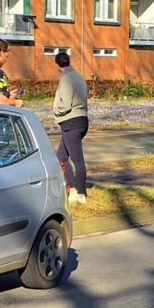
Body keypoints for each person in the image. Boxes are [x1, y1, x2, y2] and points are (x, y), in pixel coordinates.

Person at [52, 51, 89, 204]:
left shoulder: (66, 78)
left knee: (77, 160)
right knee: (61, 157)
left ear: (57, 65)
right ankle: (72, 190)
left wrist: (55, 110)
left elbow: (65, 104)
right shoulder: (79, 76)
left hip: (70, 122)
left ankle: (80, 194)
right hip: (81, 120)